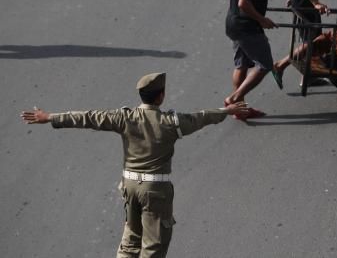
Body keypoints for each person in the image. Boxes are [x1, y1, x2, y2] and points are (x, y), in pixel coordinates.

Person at [19, 73, 248, 258]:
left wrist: (50, 117)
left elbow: (88, 117)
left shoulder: (124, 118)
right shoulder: (170, 122)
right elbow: (201, 117)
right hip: (155, 191)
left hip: (129, 186)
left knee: (130, 241)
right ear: (161, 97)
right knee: (154, 246)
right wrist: (226, 111)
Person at [225, 0, 284, 120]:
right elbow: (243, 2)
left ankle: (239, 109)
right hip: (246, 27)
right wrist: (262, 20)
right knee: (265, 64)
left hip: (234, 23)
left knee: (241, 64)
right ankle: (234, 98)